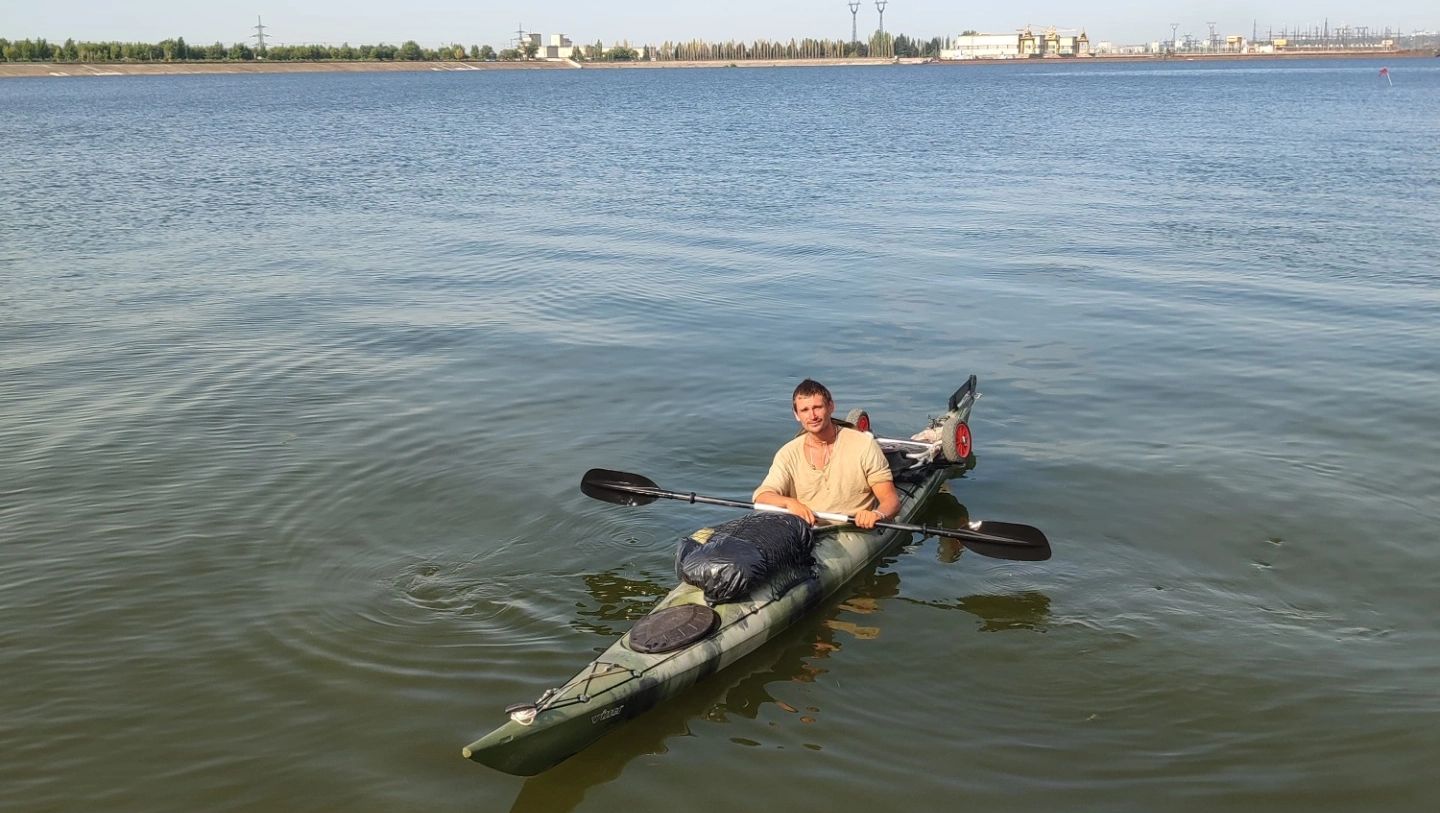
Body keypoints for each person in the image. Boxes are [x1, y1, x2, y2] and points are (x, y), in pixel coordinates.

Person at [753, 379, 901, 529]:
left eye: (817, 407)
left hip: (854, 528)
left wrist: (877, 514)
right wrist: (790, 503)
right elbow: (762, 496)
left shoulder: (864, 445)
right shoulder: (787, 453)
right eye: (804, 410)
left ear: (831, 407)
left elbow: (890, 500)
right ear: (796, 415)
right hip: (807, 529)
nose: (812, 416)